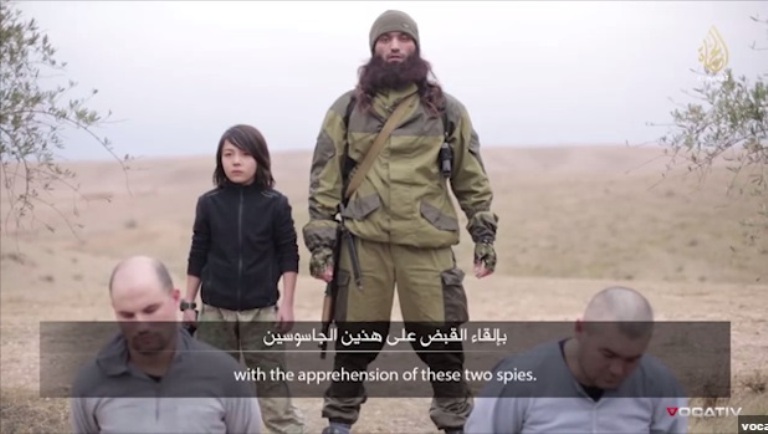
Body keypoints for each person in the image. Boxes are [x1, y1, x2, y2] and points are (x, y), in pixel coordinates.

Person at [303, 9, 498, 434]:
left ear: (416, 46)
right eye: (385, 39)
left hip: (426, 244)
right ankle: (338, 424)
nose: (394, 46)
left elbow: (470, 177)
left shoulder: (446, 110)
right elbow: (325, 178)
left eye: (403, 39)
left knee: (441, 342)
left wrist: (483, 236)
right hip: (364, 243)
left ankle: (456, 424)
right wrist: (321, 245)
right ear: (374, 48)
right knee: (354, 342)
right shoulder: (347, 109)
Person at [184, 124, 305, 434]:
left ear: (259, 159)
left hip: (261, 313)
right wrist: (188, 304)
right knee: (212, 390)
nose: (236, 161)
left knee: (273, 390)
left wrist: (287, 304)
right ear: (220, 160)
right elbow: (198, 253)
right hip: (215, 313)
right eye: (228, 154)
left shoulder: (275, 203)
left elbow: (288, 255)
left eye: (245, 154)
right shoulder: (209, 203)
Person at [69, 255, 262, 434]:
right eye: (127, 315)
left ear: (175, 298)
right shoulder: (90, 385)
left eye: (150, 310)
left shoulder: (226, 377)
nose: (141, 325)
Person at [464, 286, 689, 434]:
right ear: (580, 329)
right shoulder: (519, 379)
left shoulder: (660, 385)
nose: (618, 370)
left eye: (632, 359)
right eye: (608, 355)